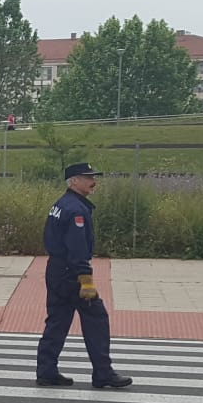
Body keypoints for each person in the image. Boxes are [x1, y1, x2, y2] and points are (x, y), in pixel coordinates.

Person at [35, 163, 132, 389]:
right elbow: (77, 249)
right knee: (96, 319)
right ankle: (103, 373)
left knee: (57, 321)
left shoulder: (61, 204)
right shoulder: (76, 210)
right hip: (72, 274)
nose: (93, 181)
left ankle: (46, 370)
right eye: (88, 177)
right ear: (74, 181)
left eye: (93, 177)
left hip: (56, 270)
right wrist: (86, 280)